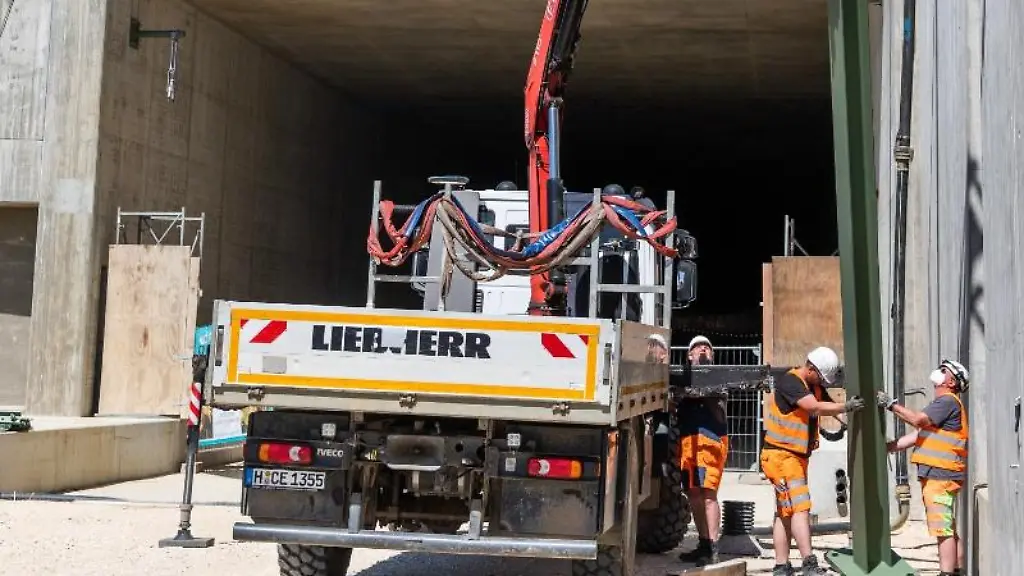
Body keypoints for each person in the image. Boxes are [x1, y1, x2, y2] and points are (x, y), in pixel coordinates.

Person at [760, 346, 866, 576]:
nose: (823, 383)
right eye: (821, 377)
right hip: (782, 456)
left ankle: (781, 566)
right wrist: (846, 406)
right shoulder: (791, 382)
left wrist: (848, 418)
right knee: (801, 509)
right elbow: (814, 407)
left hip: (792, 457)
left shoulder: (814, 385)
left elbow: (827, 405)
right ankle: (809, 563)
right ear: (810, 369)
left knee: (784, 512)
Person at [878, 359, 969, 576]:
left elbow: (918, 421)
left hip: (941, 475)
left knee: (942, 529)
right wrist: (889, 447)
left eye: (944, 370)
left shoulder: (947, 401)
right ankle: (957, 570)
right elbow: (920, 435)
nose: (939, 371)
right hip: (944, 474)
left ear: (951, 381)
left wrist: (890, 404)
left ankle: (947, 573)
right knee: (948, 526)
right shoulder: (946, 405)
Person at [675, 335, 728, 566]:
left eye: (707, 348)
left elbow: (718, 411)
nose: (703, 350)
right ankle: (704, 543)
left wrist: (705, 374)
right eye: (697, 348)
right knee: (694, 494)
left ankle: (713, 547)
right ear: (689, 355)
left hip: (710, 439)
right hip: (688, 441)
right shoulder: (682, 378)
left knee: (708, 495)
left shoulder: (717, 379)